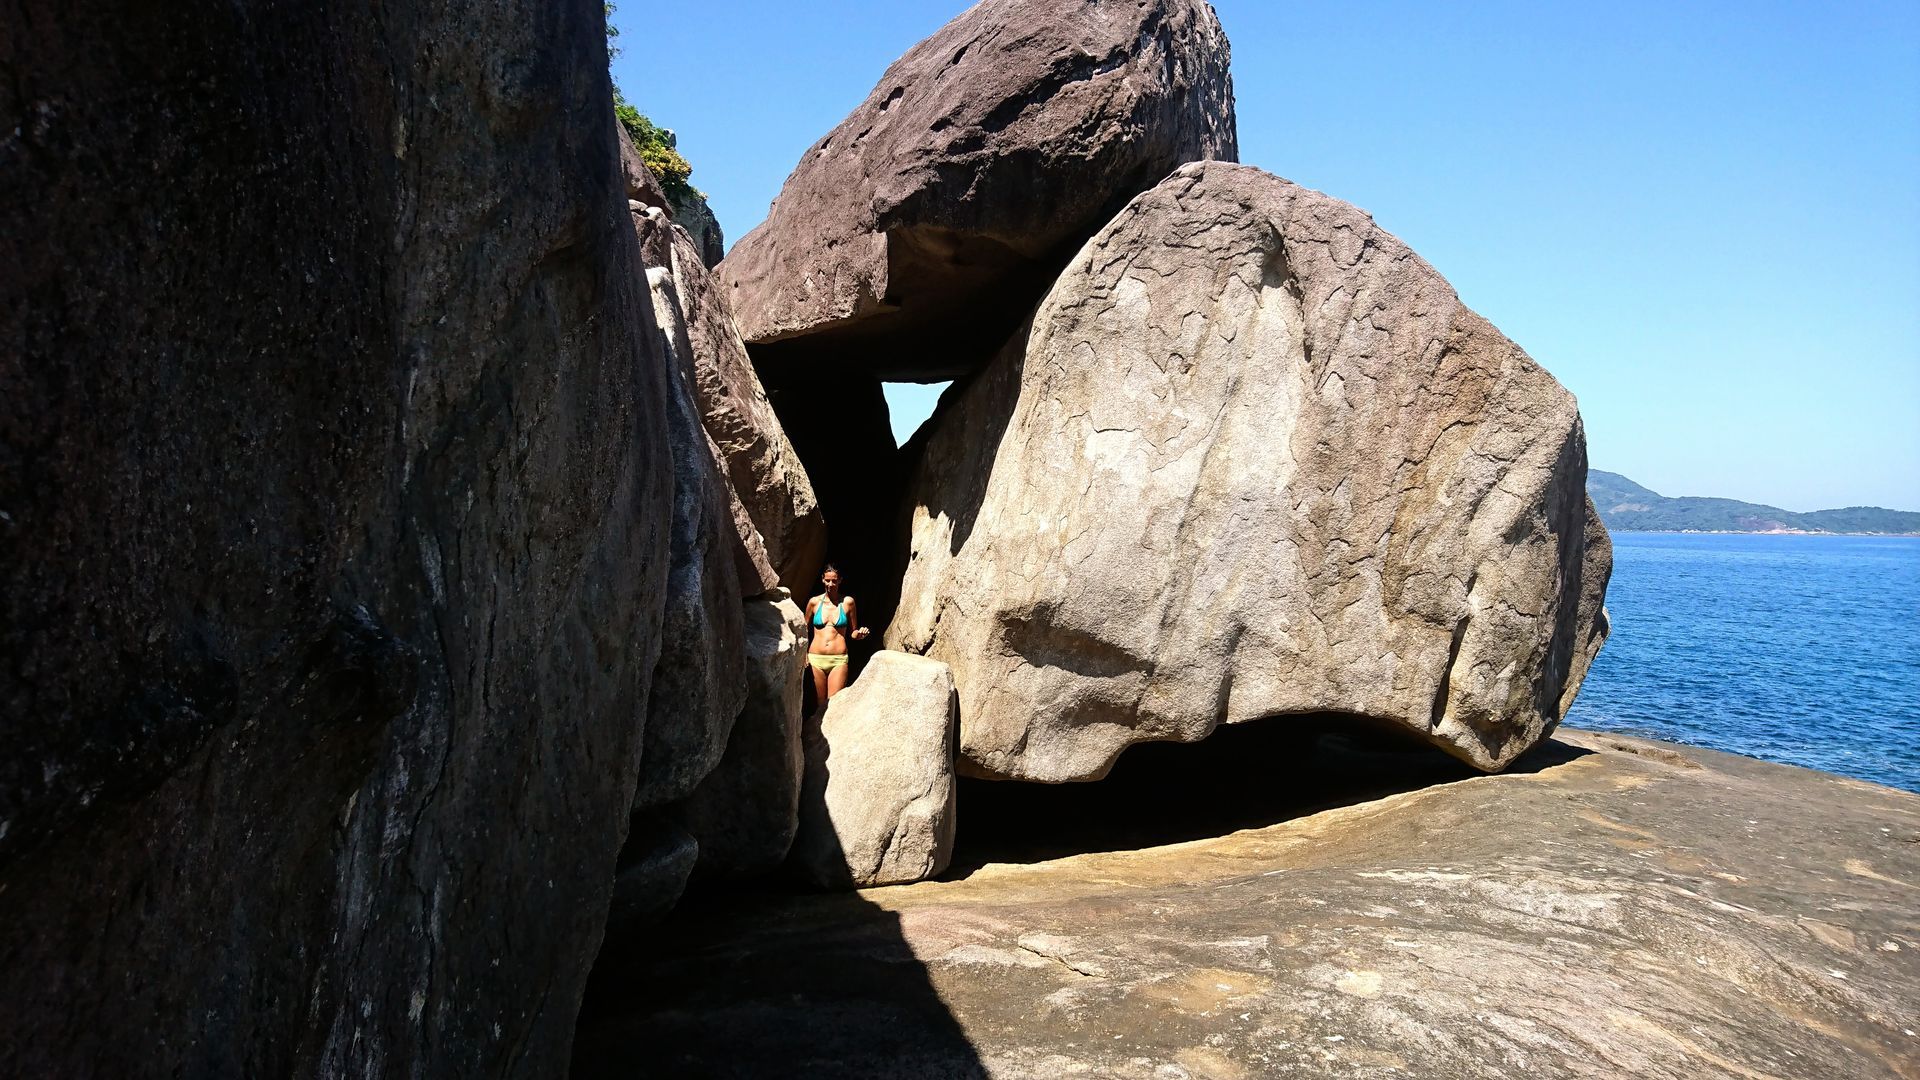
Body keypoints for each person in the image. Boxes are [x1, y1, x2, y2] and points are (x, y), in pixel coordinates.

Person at [805, 564, 868, 711]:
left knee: (834, 705)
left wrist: (859, 635)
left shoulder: (848, 602)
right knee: (820, 706)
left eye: (834, 581)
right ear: (822, 580)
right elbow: (802, 629)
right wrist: (802, 655)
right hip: (816, 658)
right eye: (827, 580)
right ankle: (816, 734)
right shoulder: (814, 602)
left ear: (840, 580)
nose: (830, 584)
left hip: (838, 659)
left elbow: (853, 632)